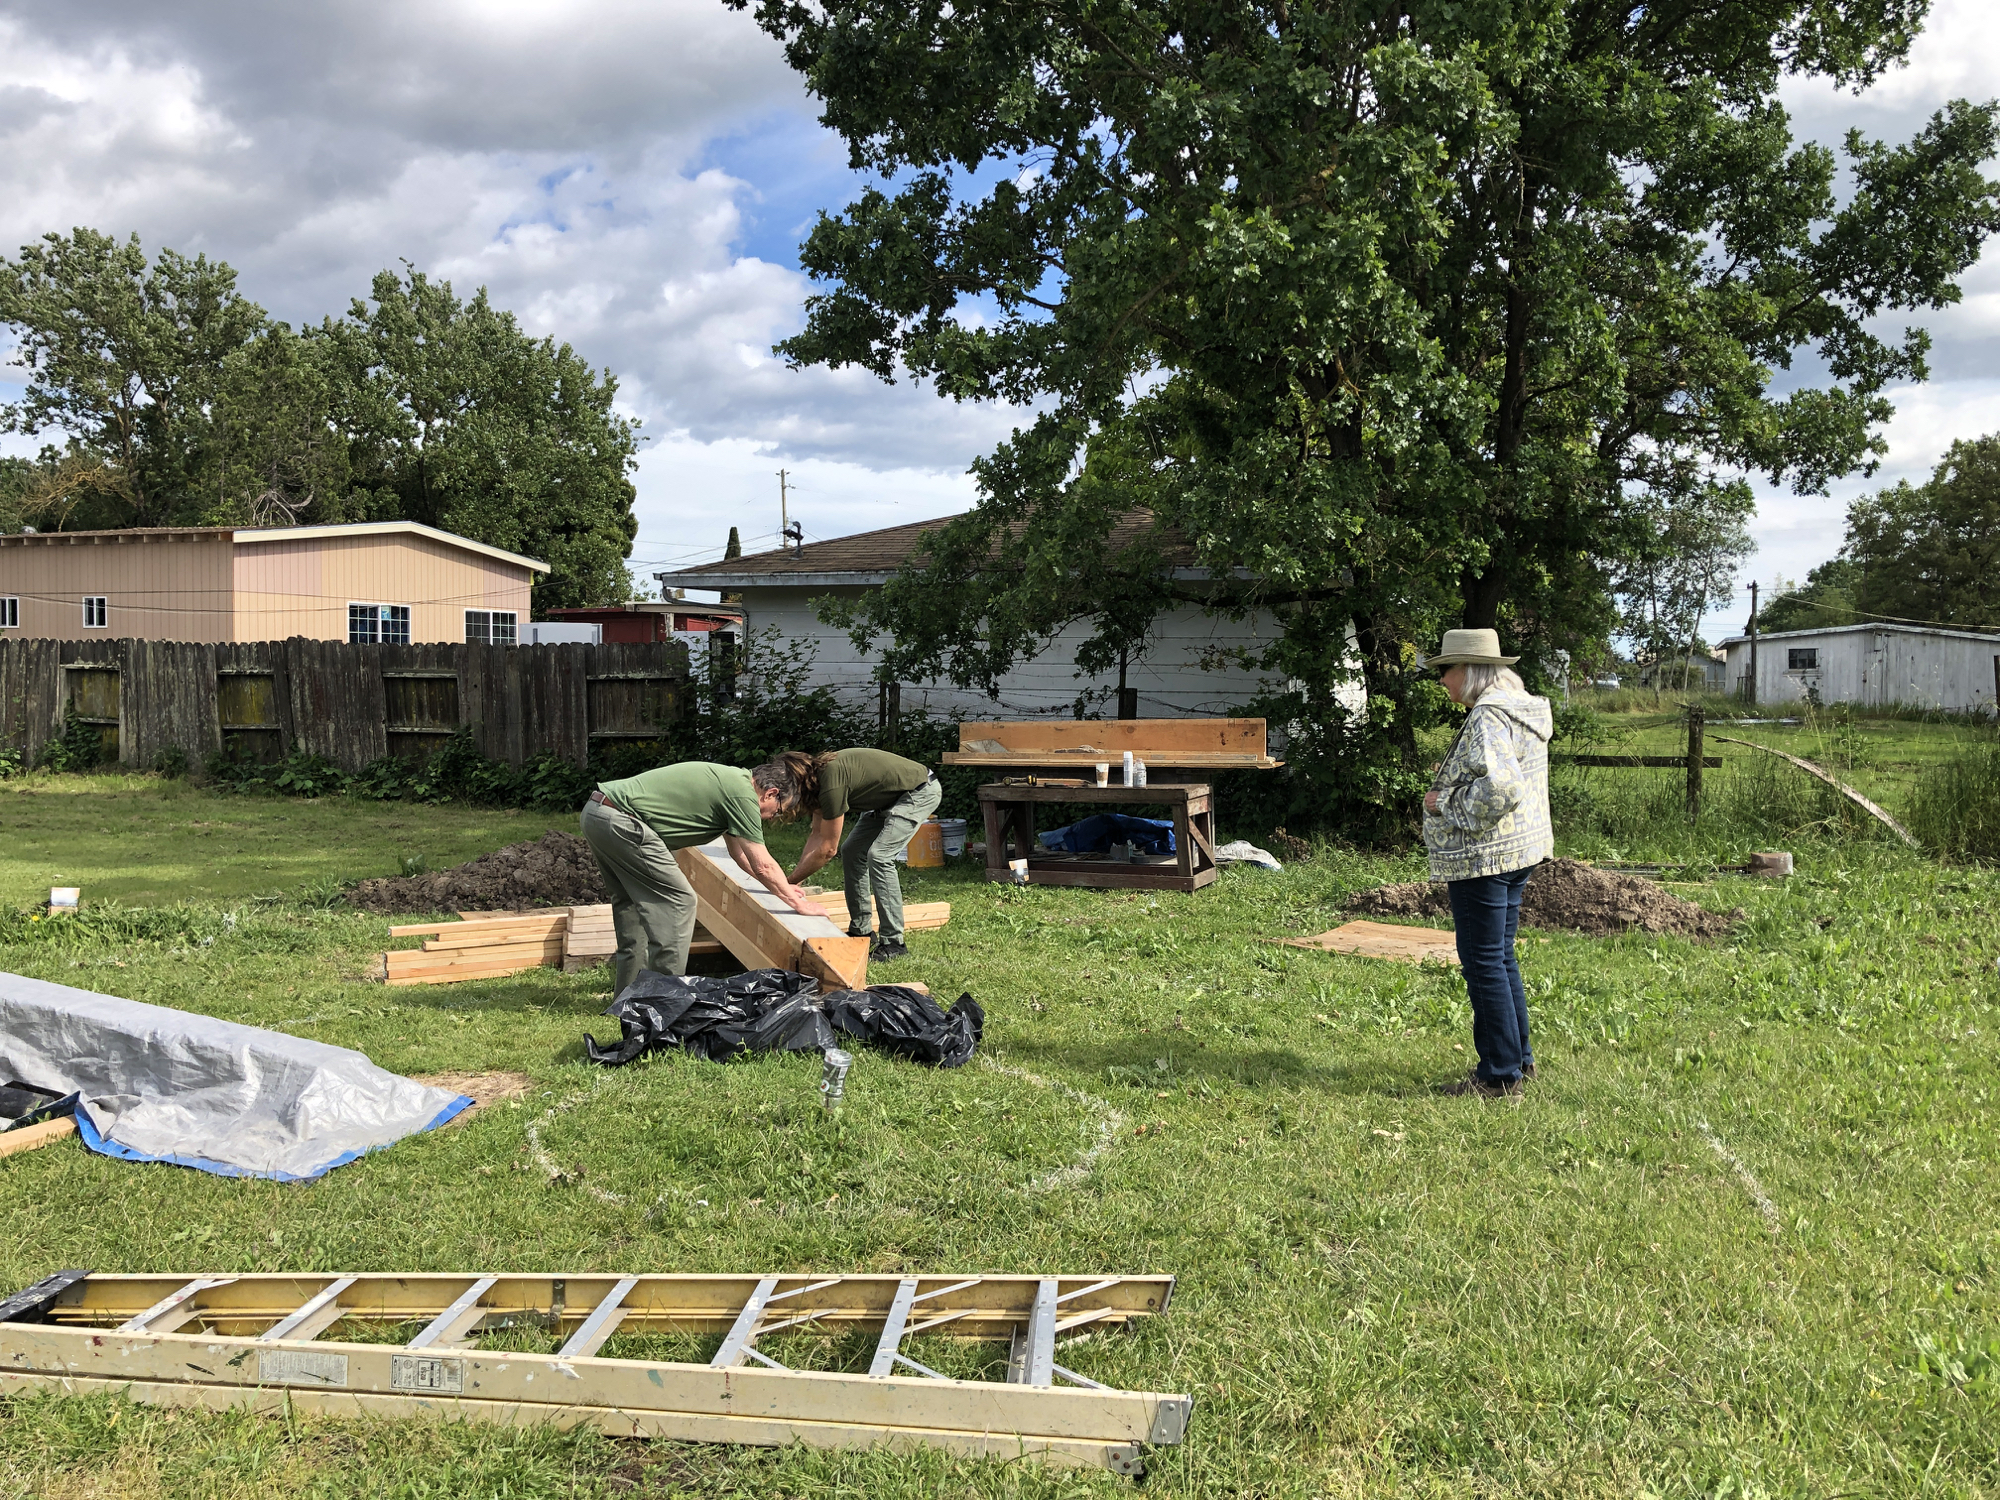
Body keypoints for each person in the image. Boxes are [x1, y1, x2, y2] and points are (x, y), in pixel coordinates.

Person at [1421, 628, 1553, 1098]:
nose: (1442, 680)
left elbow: (1502, 787)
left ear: (1470, 670)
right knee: (1499, 956)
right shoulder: (1521, 708)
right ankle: (1519, 1060)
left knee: (1482, 962)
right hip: (1520, 850)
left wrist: (1444, 802)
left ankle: (1499, 1076)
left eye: (1446, 669)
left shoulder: (1488, 715)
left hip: (1486, 857)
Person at [580, 760, 824, 995]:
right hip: (624, 822)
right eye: (779, 811)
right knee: (680, 902)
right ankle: (664, 1001)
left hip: (598, 813)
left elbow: (740, 855)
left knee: (631, 904)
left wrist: (781, 889)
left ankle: (628, 1000)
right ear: (771, 794)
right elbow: (763, 864)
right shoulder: (743, 796)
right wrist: (797, 903)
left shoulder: (733, 782)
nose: (773, 817)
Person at [765, 747, 943, 963]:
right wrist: (793, 884)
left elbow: (827, 849)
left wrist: (787, 885)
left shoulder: (831, 784)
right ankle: (862, 931)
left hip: (919, 791)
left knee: (880, 856)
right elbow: (816, 835)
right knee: (852, 851)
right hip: (887, 799)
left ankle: (894, 943)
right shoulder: (817, 783)